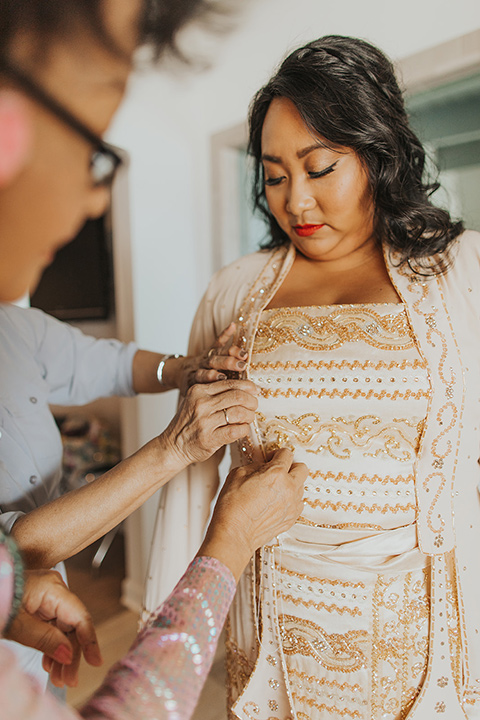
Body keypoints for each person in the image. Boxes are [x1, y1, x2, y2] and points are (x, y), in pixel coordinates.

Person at [145, 35, 480, 720]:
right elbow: (190, 469)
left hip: (432, 635)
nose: (296, 200)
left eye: (321, 166)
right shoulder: (234, 292)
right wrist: (165, 641)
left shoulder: (461, 273)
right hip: (275, 622)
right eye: (273, 175)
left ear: (378, 155)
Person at [0, 0, 308, 716]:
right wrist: (226, 543)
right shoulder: (236, 285)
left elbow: (106, 361)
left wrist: (186, 369)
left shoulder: (16, 332)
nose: (95, 203)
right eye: (93, 152)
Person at [0, 302, 246, 688]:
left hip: (46, 623)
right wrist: (174, 447)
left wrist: (184, 369)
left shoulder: (12, 325)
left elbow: (115, 365)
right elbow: (14, 551)